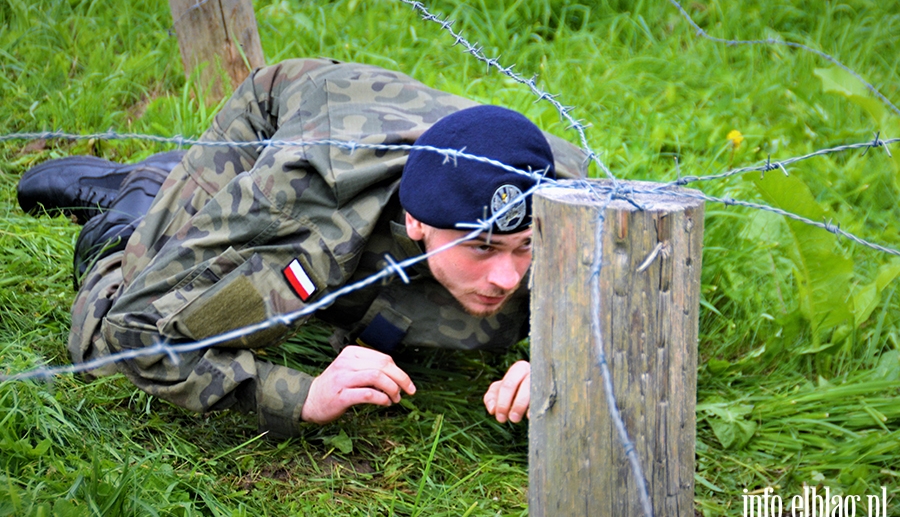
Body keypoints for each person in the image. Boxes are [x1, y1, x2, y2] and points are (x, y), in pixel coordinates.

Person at [18, 58, 587, 439]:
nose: (508, 276)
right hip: (285, 124)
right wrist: (301, 395)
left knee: (467, 322)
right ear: (417, 221)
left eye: (524, 248)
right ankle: (136, 206)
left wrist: (561, 367)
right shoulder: (294, 201)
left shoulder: (569, 206)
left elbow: (640, 320)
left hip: (401, 151)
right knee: (100, 345)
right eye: (482, 248)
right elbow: (135, 331)